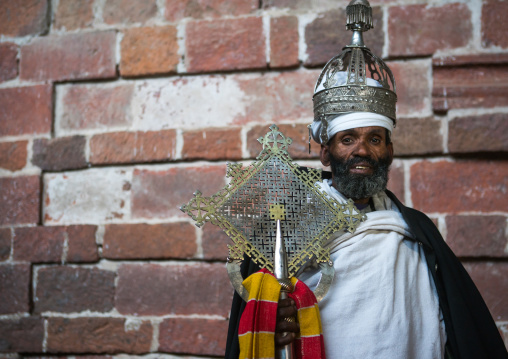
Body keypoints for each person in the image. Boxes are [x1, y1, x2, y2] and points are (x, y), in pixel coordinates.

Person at [225, 1, 508, 357]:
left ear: (389, 151)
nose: (362, 150)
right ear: (326, 153)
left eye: (374, 138)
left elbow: (461, 328)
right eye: (347, 139)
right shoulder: (287, 223)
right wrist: (273, 320)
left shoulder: (417, 230)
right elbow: (254, 319)